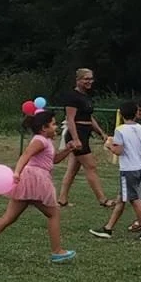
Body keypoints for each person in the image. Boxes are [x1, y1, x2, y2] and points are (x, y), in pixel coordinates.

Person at [0, 111, 79, 265]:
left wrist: (68, 149)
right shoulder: (40, 141)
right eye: (53, 124)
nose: (56, 127)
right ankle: (57, 252)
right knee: (53, 213)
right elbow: (25, 156)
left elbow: (54, 160)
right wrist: (16, 172)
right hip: (35, 180)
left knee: (9, 217)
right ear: (44, 128)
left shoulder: (45, 141)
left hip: (29, 180)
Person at [92, 101, 141, 242]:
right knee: (122, 199)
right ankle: (108, 229)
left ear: (121, 114)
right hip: (138, 168)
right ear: (135, 114)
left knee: (134, 200)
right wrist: (135, 150)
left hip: (127, 169)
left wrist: (110, 146)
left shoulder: (120, 130)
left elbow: (119, 150)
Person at [55, 68, 108, 207]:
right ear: (78, 80)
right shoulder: (72, 97)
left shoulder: (86, 97)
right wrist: (76, 139)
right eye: (86, 79)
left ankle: (62, 199)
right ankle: (103, 200)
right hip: (76, 134)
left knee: (72, 170)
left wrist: (101, 133)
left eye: (91, 78)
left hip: (84, 133)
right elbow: (70, 119)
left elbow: (89, 118)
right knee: (91, 167)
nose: (89, 81)